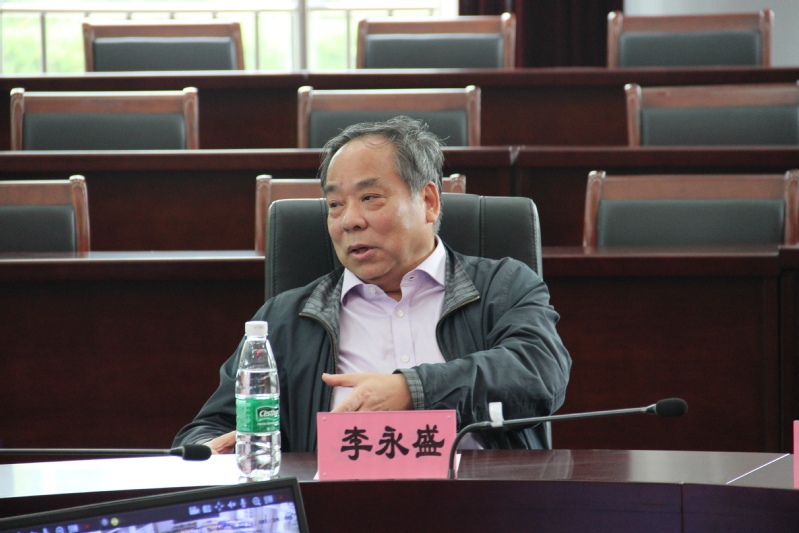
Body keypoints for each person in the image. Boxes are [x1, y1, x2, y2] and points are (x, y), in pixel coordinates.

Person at [174, 116, 571, 453]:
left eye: (370, 198)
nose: (349, 220)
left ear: (429, 201)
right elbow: (209, 428)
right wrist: (210, 451)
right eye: (335, 205)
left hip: (485, 501)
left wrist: (412, 390)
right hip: (336, 507)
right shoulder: (285, 319)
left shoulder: (504, 286)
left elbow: (540, 372)